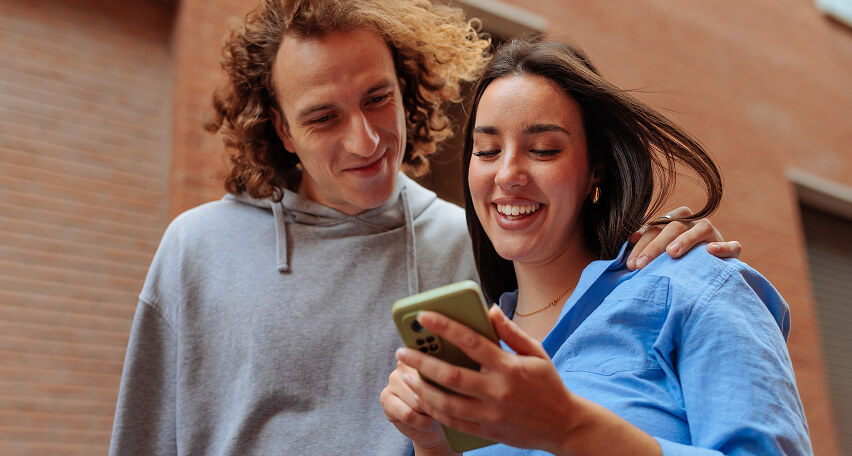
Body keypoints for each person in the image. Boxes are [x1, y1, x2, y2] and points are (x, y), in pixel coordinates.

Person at [108, 1, 740, 454]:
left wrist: (658, 241)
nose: (366, 139)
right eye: (323, 116)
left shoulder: (481, 244)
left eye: (378, 98)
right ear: (281, 129)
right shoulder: (195, 249)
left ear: (405, 87)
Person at [381, 39, 812, 455]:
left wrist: (570, 427)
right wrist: (433, 445)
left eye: (544, 150)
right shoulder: (474, 351)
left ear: (595, 171)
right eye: (487, 150)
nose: (508, 174)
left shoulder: (692, 283)